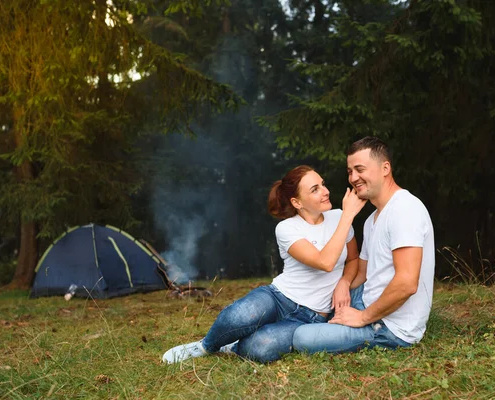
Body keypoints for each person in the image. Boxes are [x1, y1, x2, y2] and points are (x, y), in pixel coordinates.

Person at [162, 165, 367, 363]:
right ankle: (205, 346)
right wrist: (348, 216)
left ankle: (232, 346)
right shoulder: (287, 228)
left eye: (322, 184)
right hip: (278, 298)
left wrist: (344, 282)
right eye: (315, 189)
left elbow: (352, 259)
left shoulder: (339, 217)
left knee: (261, 347)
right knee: (240, 315)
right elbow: (325, 262)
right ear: (297, 202)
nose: (325, 191)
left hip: (311, 316)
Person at [292, 136, 435, 354]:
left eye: (360, 169)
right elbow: (364, 271)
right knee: (318, 300)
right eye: (350, 171)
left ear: (385, 168)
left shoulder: (405, 210)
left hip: (391, 327)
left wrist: (362, 317)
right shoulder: (372, 219)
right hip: (366, 300)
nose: (353, 178)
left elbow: (407, 283)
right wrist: (344, 282)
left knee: (303, 338)